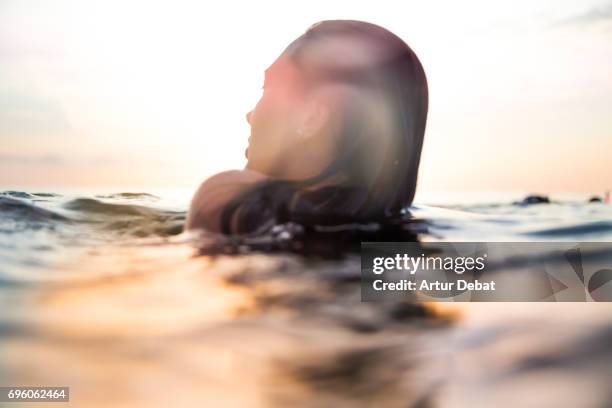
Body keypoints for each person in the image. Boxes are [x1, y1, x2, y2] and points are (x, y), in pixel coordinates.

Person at [187, 20, 428, 235]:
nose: (249, 116)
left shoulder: (231, 202)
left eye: (266, 88)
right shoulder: (399, 243)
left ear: (311, 117)